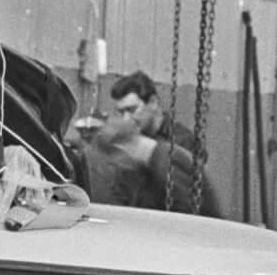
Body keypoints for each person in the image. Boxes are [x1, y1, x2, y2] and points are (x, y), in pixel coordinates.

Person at [78, 70, 223, 217]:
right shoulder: (132, 142)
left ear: (153, 102)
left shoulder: (182, 142)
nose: (127, 119)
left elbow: (189, 200)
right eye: (121, 112)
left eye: (132, 109)